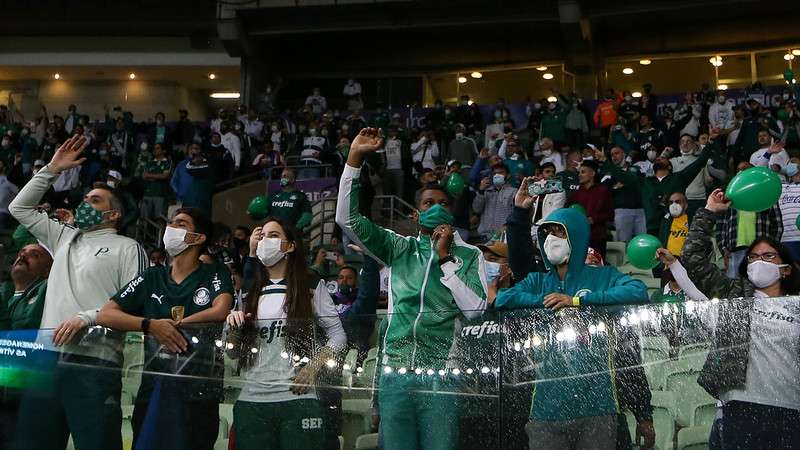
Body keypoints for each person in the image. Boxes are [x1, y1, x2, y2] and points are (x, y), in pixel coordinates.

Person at [336, 127, 488, 450]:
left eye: (443, 203)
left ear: (452, 209)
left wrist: (446, 259)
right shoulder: (398, 248)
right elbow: (347, 220)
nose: (436, 207)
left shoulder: (470, 255)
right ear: (416, 214)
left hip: (442, 373)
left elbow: (475, 310)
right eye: (428, 202)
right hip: (396, 371)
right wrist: (354, 160)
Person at [10, 134, 148, 450]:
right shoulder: (64, 237)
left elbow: (133, 306)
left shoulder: (129, 248)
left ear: (113, 214)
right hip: (44, 360)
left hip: (94, 362)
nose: (84, 203)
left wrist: (87, 318)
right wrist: (52, 169)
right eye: (85, 198)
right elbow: (19, 207)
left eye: (94, 200)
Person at [495, 207, 649, 450]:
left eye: (560, 232)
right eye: (547, 233)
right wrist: (549, 301)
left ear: (576, 236)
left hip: (598, 406)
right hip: (546, 408)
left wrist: (577, 301)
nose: (552, 239)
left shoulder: (603, 276)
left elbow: (638, 291)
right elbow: (503, 300)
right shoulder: (539, 281)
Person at [97, 208, 233, 450]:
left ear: (198, 237)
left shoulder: (215, 272)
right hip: (155, 385)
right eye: (170, 222)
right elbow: (106, 314)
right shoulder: (151, 276)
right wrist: (150, 325)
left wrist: (177, 326)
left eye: (180, 223)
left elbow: (221, 309)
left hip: (200, 387)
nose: (170, 228)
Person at [683, 188, 800, 449]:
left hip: (793, 410)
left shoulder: (797, 305)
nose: (759, 261)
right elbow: (692, 259)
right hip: (742, 407)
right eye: (754, 257)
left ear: (786, 269)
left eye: (769, 256)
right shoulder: (735, 293)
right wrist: (709, 212)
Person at [225, 217, 346, 450]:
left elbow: (338, 334)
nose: (265, 242)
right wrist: (233, 332)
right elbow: (231, 353)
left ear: (290, 245)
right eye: (261, 237)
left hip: (297, 399)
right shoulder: (248, 290)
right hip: (252, 399)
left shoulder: (310, 284)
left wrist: (313, 367)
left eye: (273, 236)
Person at [716, 161, 783, 279]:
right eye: (739, 169)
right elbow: (721, 225)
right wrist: (724, 249)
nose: (741, 172)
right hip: (735, 251)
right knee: (735, 290)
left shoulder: (765, 193)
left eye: (745, 169)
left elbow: (777, 225)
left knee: (761, 284)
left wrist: (770, 247)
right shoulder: (729, 196)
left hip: (761, 251)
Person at [601, 146, 646, 243]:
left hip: (640, 211)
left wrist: (619, 185)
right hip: (621, 211)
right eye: (612, 155)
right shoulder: (608, 173)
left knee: (642, 242)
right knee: (623, 243)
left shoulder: (636, 168)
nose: (614, 156)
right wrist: (616, 188)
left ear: (624, 154)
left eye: (616, 153)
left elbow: (637, 182)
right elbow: (605, 191)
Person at [568, 159, 613, 257]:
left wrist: (594, 219)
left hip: (597, 237)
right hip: (579, 237)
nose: (579, 175)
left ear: (592, 173)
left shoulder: (603, 191)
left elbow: (610, 214)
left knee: (597, 268)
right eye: (579, 172)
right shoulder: (576, 194)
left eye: (583, 172)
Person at [6, 244, 52, 330]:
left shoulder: (48, 290)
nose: (22, 256)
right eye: (21, 253)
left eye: (35, 255)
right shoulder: (4, 295)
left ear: (47, 271)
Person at [472, 164, 515, 241]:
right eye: (495, 173)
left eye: (501, 173)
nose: (497, 175)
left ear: (508, 175)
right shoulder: (486, 192)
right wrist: (481, 191)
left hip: (503, 237)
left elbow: (516, 214)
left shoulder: (514, 192)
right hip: (484, 236)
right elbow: (476, 209)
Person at [171, 142, 214, 213]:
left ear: (200, 151)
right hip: (182, 200)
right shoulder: (181, 164)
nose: (193, 151)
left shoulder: (205, 163)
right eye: (191, 149)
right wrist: (179, 193)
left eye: (196, 149)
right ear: (188, 151)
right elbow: (173, 181)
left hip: (200, 200)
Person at [140, 142, 172, 221]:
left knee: (160, 218)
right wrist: (158, 176)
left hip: (160, 194)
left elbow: (165, 176)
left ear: (163, 151)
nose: (154, 150)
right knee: (145, 218)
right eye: (154, 148)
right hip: (148, 194)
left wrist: (150, 176)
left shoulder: (167, 162)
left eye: (157, 148)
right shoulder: (149, 162)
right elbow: (144, 176)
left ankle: (160, 234)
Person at [780, 157, 800, 261]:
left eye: (795, 163)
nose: (791, 165)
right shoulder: (781, 188)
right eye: (789, 163)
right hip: (787, 239)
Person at [660, 192, 691, 257]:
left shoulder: (693, 221)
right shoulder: (666, 221)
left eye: (678, 202)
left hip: (687, 262)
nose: (674, 205)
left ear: (685, 205)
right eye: (671, 202)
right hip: (669, 262)